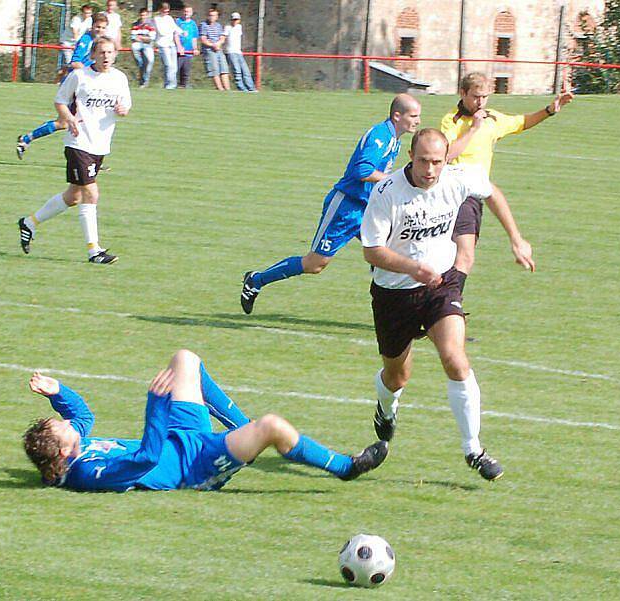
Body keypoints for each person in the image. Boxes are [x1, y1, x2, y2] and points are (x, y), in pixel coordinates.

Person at [360, 128, 531, 481]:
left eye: (437, 161)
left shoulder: (456, 178)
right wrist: (412, 268)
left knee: (455, 358)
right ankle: (386, 410)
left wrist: (517, 239)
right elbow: (371, 250)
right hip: (394, 293)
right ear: (410, 156)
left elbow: (492, 192)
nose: (430, 170)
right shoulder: (387, 192)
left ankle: (474, 450)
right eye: (423, 161)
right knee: (397, 375)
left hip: (440, 284)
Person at [23, 349, 389, 491]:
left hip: (180, 437)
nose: (68, 425)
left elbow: (81, 417)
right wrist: (155, 405)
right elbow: (146, 460)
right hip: (192, 467)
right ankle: (345, 467)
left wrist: (57, 392)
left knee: (185, 359)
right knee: (274, 425)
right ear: (62, 453)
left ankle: (246, 433)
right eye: (63, 429)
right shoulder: (88, 473)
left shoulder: (73, 449)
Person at [240, 94, 422, 314]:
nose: (418, 120)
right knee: (314, 264)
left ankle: (400, 308)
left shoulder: (394, 139)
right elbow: (361, 171)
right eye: (413, 115)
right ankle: (256, 280)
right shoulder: (380, 136)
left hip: (366, 208)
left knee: (389, 252)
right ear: (397, 115)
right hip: (345, 207)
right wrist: (393, 179)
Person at [440, 71, 573, 281]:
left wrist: (549, 110)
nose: (480, 102)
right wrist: (474, 128)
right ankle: (449, 305)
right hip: (456, 195)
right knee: (464, 257)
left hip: (476, 196)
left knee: (456, 259)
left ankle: (443, 301)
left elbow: (522, 122)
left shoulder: (492, 118)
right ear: (463, 93)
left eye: (485, 97)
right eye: (476, 97)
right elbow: (446, 155)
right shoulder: (451, 120)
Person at [17, 37, 131, 265]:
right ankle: (94, 251)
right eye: (102, 53)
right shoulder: (80, 76)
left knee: (74, 196)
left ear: (115, 54)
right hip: (78, 144)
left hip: (100, 145)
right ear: (93, 55)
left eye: (110, 52)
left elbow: (125, 106)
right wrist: (69, 119)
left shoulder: (119, 78)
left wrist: (122, 109)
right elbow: (60, 101)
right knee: (91, 193)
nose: (106, 56)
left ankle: (29, 223)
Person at [16, 14, 108, 159]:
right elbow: (75, 62)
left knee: (75, 121)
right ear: (92, 26)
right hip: (74, 87)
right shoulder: (86, 40)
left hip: (85, 88)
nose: (100, 30)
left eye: (103, 28)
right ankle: (26, 139)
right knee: (65, 122)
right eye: (98, 27)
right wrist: (90, 73)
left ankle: (27, 139)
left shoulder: (100, 42)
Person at [153, 2, 184, 90]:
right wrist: (171, 30)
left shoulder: (169, 18)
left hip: (171, 44)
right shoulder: (156, 19)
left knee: (174, 66)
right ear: (160, 10)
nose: (166, 13)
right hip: (163, 45)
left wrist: (182, 32)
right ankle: (169, 84)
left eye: (167, 11)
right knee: (168, 65)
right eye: (165, 11)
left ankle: (172, 84)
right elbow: (161, 32)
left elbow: (175, 27)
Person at [199, 8, 230, 91]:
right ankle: (220, 89)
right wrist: (212, 45)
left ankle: (227, 89)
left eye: (214, 15)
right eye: (210, 15)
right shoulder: (203, 25)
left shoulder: (218, 25)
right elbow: (203, 39)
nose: (212, 17)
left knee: (224, 68)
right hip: (209, 50)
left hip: (219, 49)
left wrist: (218, 44)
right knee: (214, 69)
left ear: (217, 17)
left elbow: (222, 37)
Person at [224, 12, 256, 92]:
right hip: (231, 52)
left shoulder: (239, 27)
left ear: (239, 20)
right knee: (237, 71)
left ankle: (251, 88)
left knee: (245, 71)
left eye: (236, 19)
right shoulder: (227, 27)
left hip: (238, 52)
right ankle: (241, 88)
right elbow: (224, 37)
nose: (235, 21)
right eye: (233, 19)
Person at [130, 7, 156, 88]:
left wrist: (140, 38)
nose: (143, 17)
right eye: (141, 15)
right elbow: (133, 37)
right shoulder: (135, 24)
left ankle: (145, 81)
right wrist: (144, 38)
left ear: (147, 15)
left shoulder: (151, 24)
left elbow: (151, 38)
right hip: (138, 44)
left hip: (148, 45)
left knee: (150, 61)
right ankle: (140, 64)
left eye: (144, 15)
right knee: (134, 47)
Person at [176, 4, 200, 88]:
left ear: (192, 13)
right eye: (185, 11)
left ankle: (183, 87)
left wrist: (195, 48)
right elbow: (175, 35)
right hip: (179, 52)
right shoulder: (178, 21)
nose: (186, 13)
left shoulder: (193, 24)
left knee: (185, 72)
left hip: (188, 52)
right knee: (175, 70)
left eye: (188, 11)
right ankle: (172, 86)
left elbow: (194, 38)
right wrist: (179, 47)